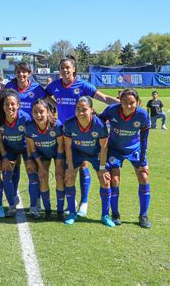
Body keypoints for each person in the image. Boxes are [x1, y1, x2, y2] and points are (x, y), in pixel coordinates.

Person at [45, 55, 118, 217]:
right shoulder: (54, 85)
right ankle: (71, 201)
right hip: (63, 133)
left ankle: (84, 202)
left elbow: (104, 98)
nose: (64, 70)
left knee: (83, 165)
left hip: (83, 132)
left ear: (74, 69)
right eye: (62, 67)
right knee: (67, 167)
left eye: (67, 67)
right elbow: (44, 95)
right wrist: (55, 105)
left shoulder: (83, 85)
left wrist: (123, 104)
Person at [5, 62, 55, 211]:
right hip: (11, 137)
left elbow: (51, 104)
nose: (21, 75)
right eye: (19, 72)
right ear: (15, 73)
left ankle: (36, 203)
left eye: (24, 72)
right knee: (11, 168)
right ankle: (12, 200)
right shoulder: (9, 87)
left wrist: (53, 119)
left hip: (31, 138)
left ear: (30, 73)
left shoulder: (37, 88)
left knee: (32, 170)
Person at [100, 89, 152, 228]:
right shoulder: (111, 110)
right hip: (115, 150)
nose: (128, 106)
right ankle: (115, 214)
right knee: (115, 180)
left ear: (138, 102)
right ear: (119, 101)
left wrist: (143, 162)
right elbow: (99, 122)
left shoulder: (142, 115)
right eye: (124, 102)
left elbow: (144, 140)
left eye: (132, 103)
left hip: (135, 149)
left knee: (144, 177)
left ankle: (143, 215)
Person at [63, 96, 114, 227]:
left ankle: (105, 215)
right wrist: (69, 167)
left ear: (91, 110)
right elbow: (67, 147)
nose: (80, 112)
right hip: (77, 153)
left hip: (95, 153)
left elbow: (103, 147)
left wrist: (102, 168)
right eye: (77, 109)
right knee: (69, 178)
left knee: (105, 180)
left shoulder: (99, 124)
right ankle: (72, 213)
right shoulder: (69, 124)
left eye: (84, 109)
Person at [0, 89, 32, 217]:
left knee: (33, 173)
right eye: (6, 104)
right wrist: (3, 157)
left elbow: (31, 139)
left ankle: (35, 206)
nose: (10, 107)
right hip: (9, 149)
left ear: (18, 105)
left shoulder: (25, 118)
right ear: (2, 106)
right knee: (7, 174)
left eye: (13, 104)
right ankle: (11, 205)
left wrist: (31, 158)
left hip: (26, 148)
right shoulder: (0, 119)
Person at [25, 99, 65, 221]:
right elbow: (32, 149)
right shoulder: (30, 127)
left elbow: (61, 146)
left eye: (41, 111)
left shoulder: (56, 125)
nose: (38, 115)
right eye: (35, 112)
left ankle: (60, 210)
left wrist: (58, 165)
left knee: (59, 176)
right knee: (42, 177)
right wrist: (40, 167)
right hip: (42, 155)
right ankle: (47, 210)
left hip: (58, 153)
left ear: (48, 112)